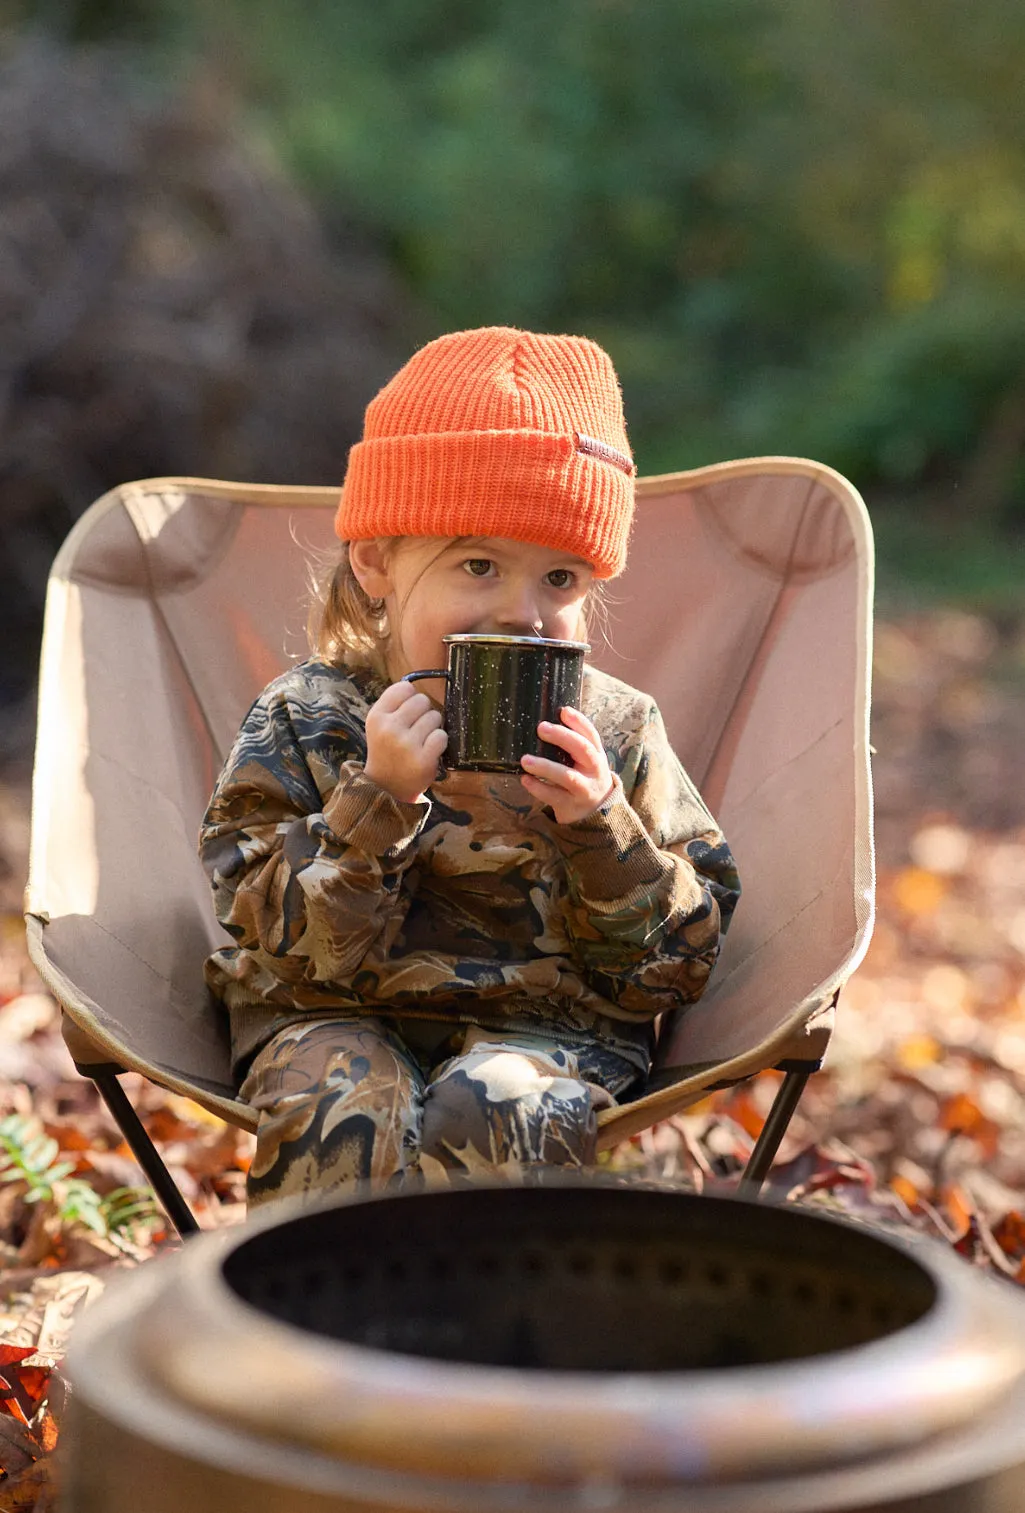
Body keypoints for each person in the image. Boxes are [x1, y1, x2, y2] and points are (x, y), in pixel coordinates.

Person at [198, 326, 740, 1207]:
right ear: (377, 561)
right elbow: (266, 937)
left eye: (560, 579)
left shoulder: (615, 731)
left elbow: (677, 968)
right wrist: (375, 799)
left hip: (550, 1032)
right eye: (478, 564)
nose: (522, 612)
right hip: (328, 1016)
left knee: (497, 1100)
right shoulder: (308, 715)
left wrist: (599, 821)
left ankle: (497, 1329)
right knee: (338, 1100)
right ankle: (318, 1327)